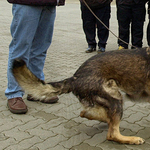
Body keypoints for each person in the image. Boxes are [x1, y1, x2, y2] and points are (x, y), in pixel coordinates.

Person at [6, 1, 65, 114]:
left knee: (40, 50)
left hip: (49, 3)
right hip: (26, 3)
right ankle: (14, 93)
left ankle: (36, 90)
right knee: (20, 49)